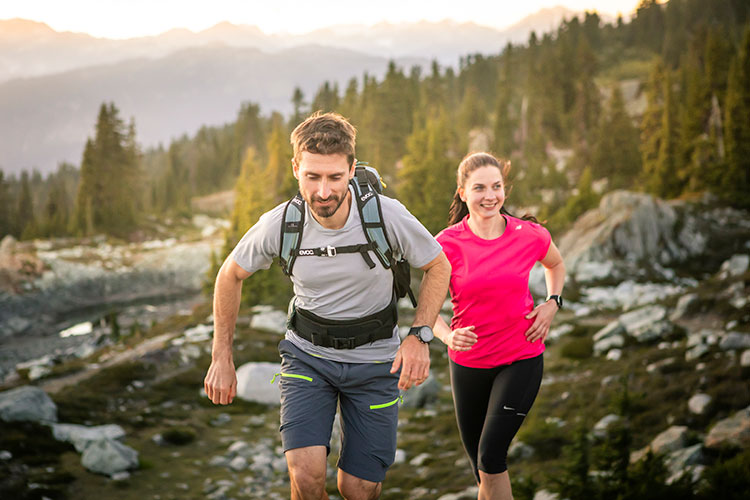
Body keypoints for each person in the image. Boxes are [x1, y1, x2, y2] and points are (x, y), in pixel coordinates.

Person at [204, 111, 450, 500]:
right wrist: (221, 355)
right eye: (312, 177)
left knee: (358, 488)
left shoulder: (385, 216)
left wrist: (419, 336)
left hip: (376, 362)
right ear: (295, 168)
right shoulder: (283, 223)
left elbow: (438, 265)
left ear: (352, 168)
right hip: (307, 357)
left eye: (335, 177)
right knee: (305, 477)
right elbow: (229, 275)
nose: (323, 192)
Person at [434, 152, 565, 500]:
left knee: (491, 458)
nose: (490, 196)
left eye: (496, 187)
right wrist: (447, 335)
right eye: (479, 188)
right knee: (480, 467)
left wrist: (552, 303)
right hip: (467, 365)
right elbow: (425, 310)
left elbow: (556, 265)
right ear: (463, 193)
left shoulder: (529, 234)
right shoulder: (446, 243)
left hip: (520, 358)